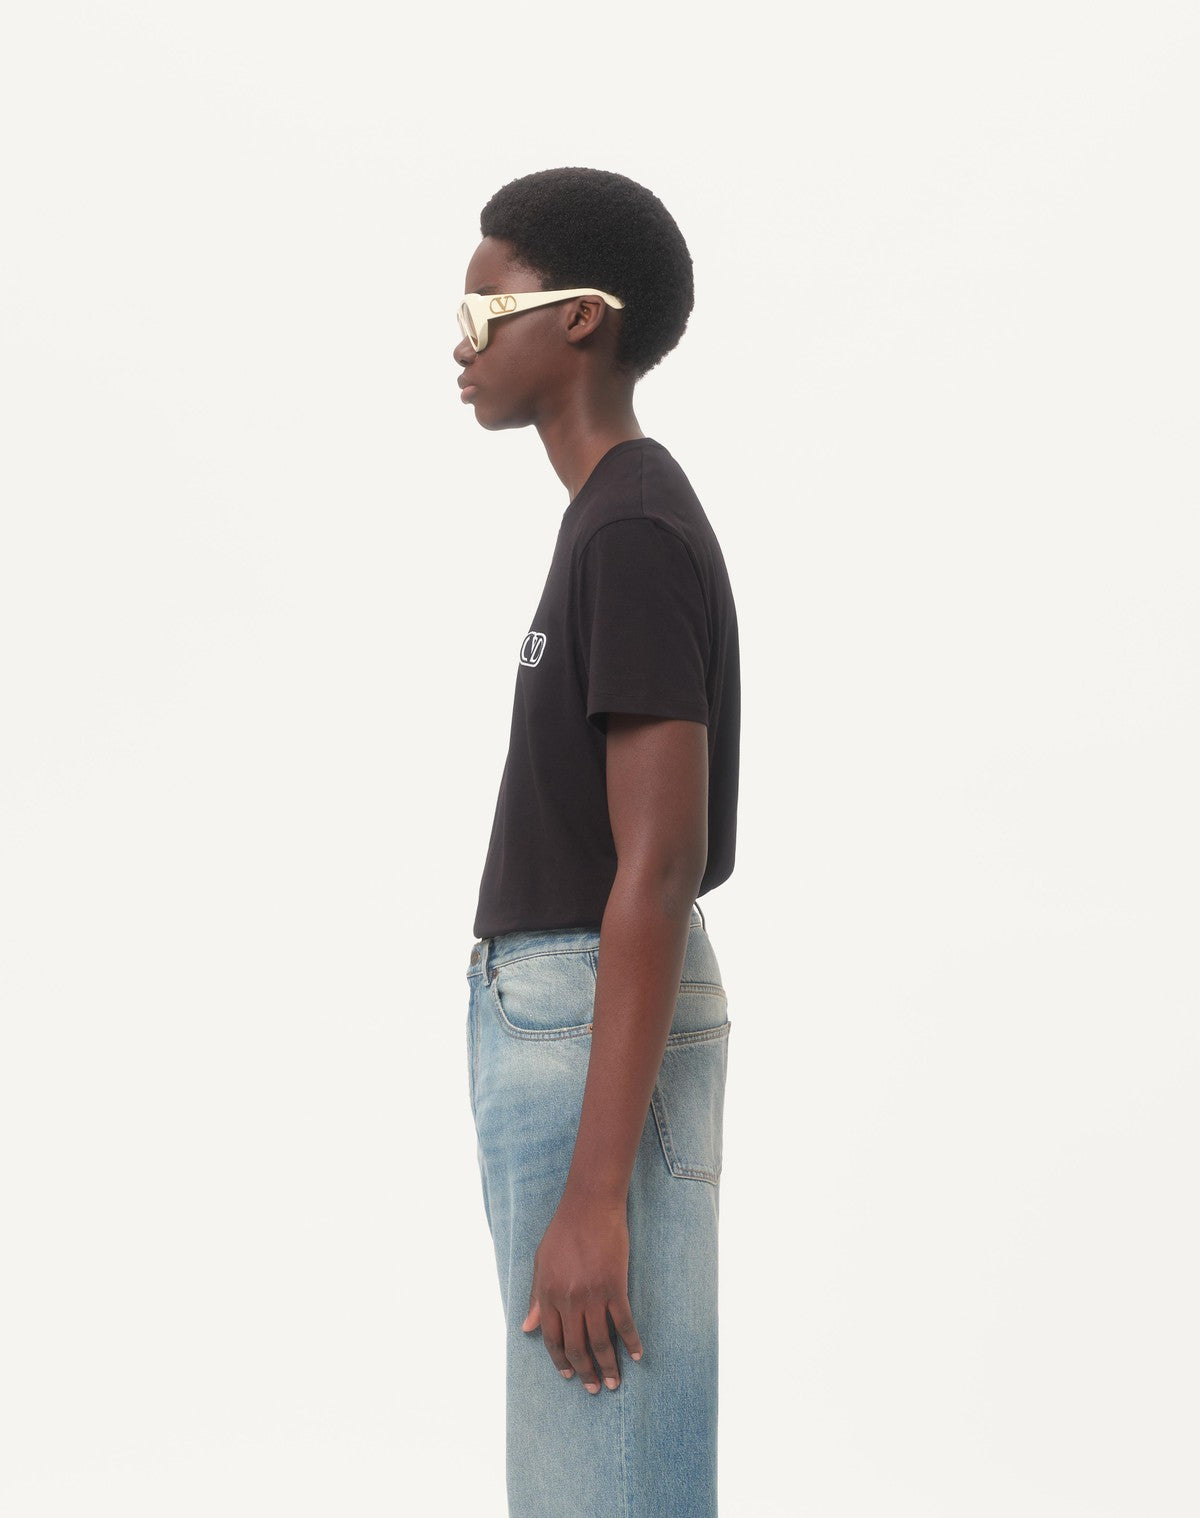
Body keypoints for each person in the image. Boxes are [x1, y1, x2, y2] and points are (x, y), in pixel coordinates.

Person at [457, 166, 740, 1518]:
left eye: (482, 305)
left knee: (601, 1478)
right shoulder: (611, 519)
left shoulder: (628, 525)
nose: (460, 340)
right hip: (574, 1013)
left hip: (590, 1020)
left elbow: (661, 860)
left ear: (580, 317)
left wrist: (596, 1196)